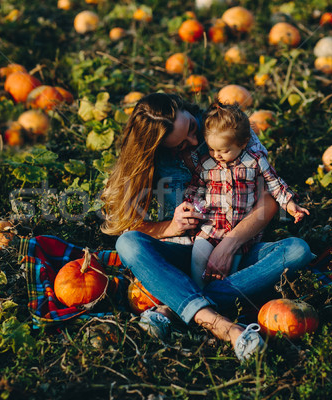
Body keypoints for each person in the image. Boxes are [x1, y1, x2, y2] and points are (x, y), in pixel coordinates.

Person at [101, 93, 313, 362]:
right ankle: (225, 327)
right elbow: (129, 225)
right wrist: (171, 226)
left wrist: (229, 244)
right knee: (128, 243)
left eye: (191, 128)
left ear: (184, 108)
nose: (193, 141)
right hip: (182, 254)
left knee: (297, 250)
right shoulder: (153, 161)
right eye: (179, 146)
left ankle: (176, 304)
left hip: (237, 248)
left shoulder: (223, 125)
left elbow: (268, 202)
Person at [185, 102, 310, 289]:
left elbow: (274, 183)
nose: (216, 155)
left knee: (230, 268)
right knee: (198, 255)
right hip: (212, 225)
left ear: (243, 143)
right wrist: (191, 205)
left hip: (240, 230)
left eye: (223, 150)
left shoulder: (254, 161)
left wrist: (290, 204)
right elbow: (196, 188)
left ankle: (219, 297)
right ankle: (198, 291)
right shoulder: (206, 164)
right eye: (212, 149)